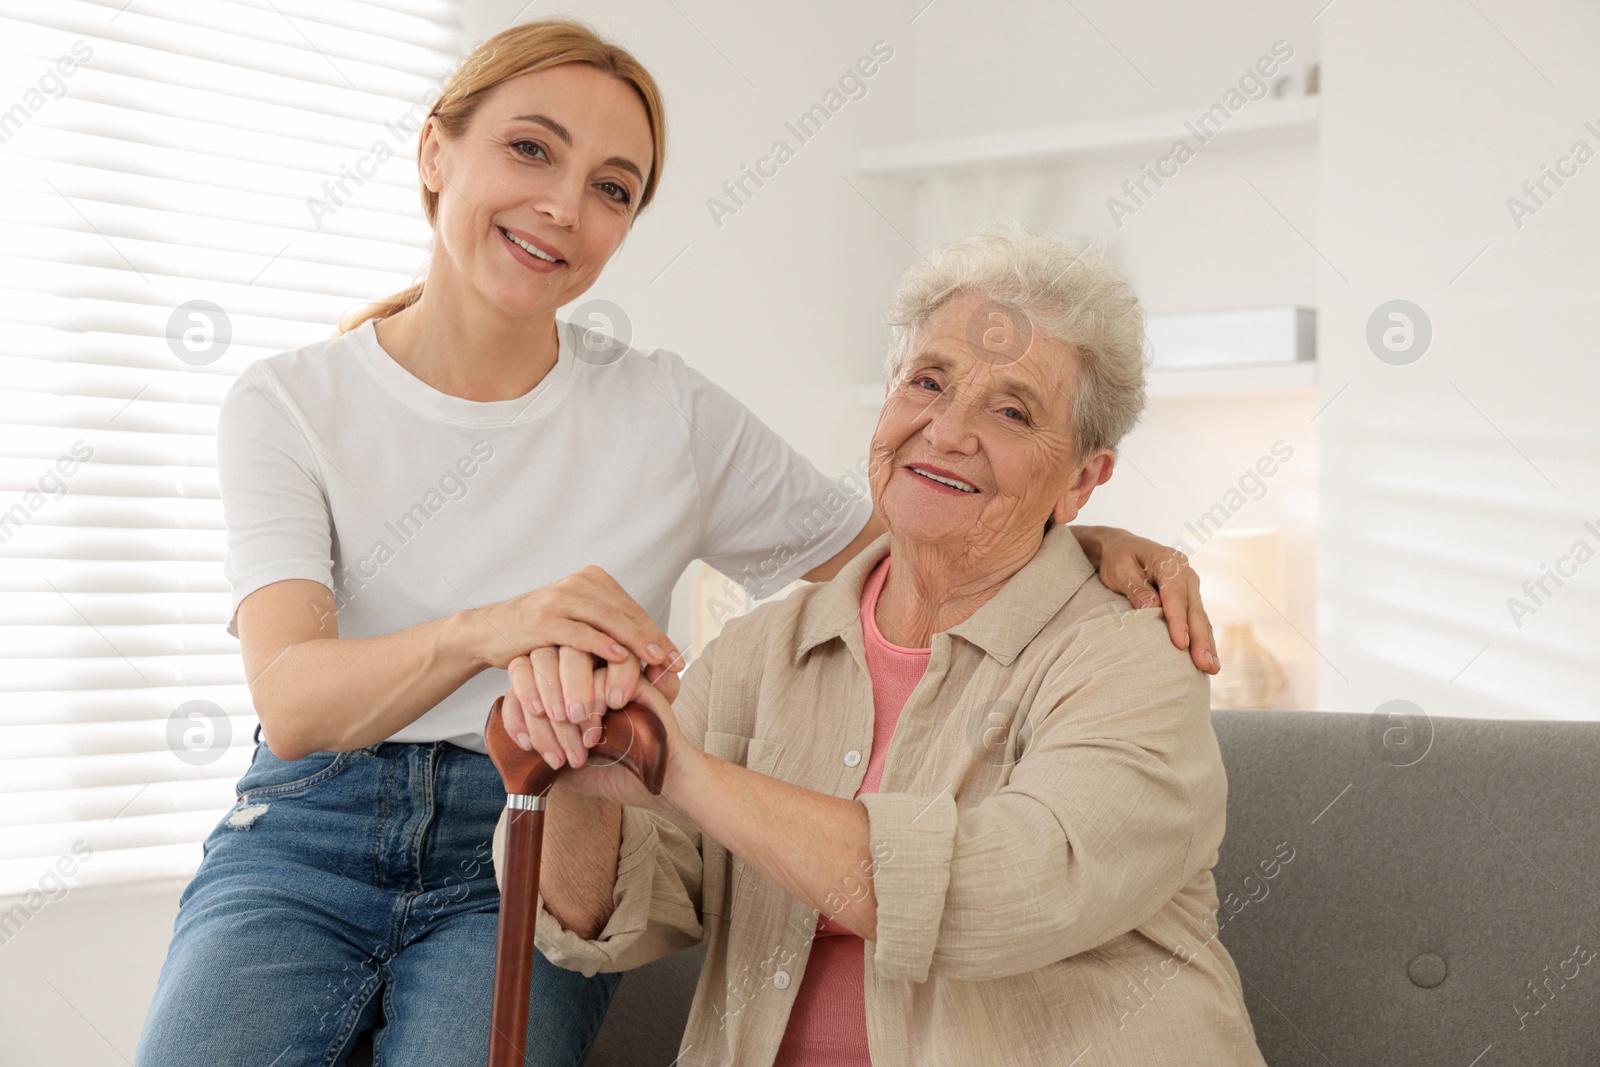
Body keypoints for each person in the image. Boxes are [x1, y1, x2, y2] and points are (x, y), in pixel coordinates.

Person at [132, 21, 1217, 1067]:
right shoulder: (290, 400)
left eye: (612, 187)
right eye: (529, 148)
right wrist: (494, 630)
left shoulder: (669, 414)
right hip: (310, 817)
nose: (563, 205)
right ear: (433, 149)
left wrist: (1077, 532)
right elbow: (293, 697)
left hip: (528, 811)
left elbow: (912, 528)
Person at [508, 227, 1268, 1067]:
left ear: (1084, 479)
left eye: (1012, 411)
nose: (946, 431)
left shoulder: (1132, 659)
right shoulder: (763, 651)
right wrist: (578, 749)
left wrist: (683, 770)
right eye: (929, 382)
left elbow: (993, 893)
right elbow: (606, 913)